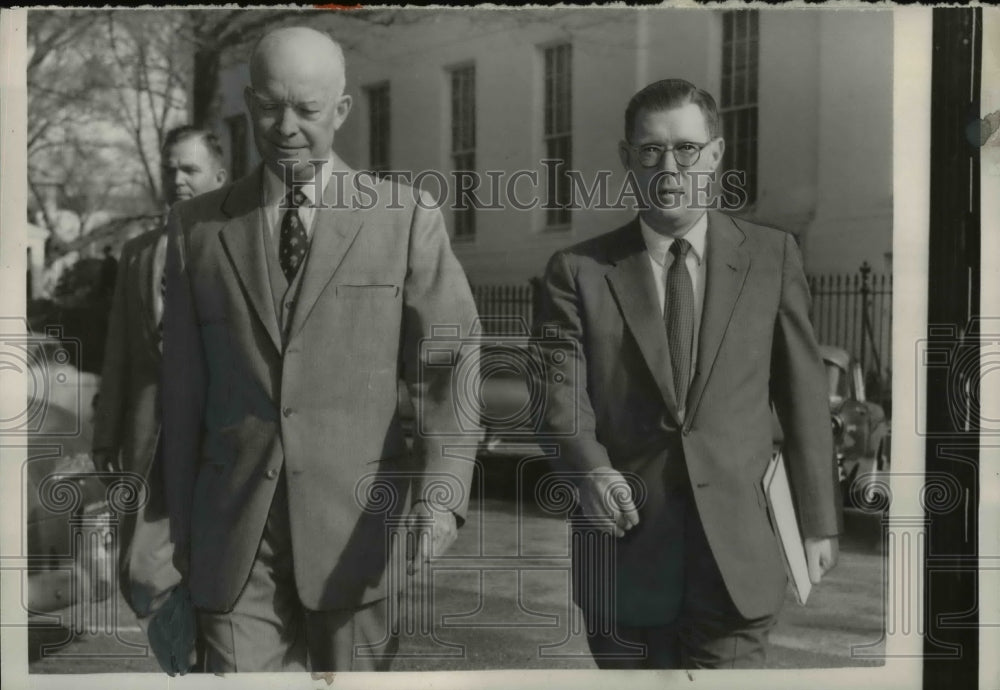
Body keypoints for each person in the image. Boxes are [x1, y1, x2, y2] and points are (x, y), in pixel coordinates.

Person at [160, 27, 480, 673]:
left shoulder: (404, 217)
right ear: (248, 104)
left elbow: (451, 364)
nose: (286, 126)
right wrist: (168, 538)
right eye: (271, 106)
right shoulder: (197, 229)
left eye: (307, 109)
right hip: (233, 538)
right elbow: (181, 393)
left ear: (341, 110)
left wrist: (441, 493)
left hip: (358, 533)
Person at [535, 78, 841, 669]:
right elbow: (558, 399)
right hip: (624, 556)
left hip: (739, 560)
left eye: (686, 149)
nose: (668, 167)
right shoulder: (578, 272)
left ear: (717, 155)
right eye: (650, 150)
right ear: (627, 159)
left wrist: (818, 520)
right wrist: (590, 472)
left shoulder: (771, 257)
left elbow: (804, 398)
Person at [92, 126, 228, 630]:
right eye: (170, 168)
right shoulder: (138, 253)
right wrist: (106, 432)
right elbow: (120, 353)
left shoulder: (244, 247)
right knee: (146, 572)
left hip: (222, 434)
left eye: (189, 169)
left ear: (218, 175)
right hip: (153, 439)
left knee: (223, 567)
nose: (177, 179)